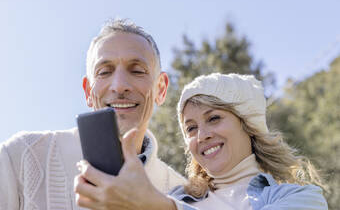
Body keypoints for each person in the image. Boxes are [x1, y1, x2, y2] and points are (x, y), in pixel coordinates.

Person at [0, 19, 186, 210]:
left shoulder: (182, 192)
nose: (119, 86)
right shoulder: (20, 158)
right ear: (88, 92)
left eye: (137, 70)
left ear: (161, 89)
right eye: (104, 72)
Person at [74, 72, 328, 210]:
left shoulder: (301, 198)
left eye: (214, 118)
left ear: (247, 125)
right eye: (191, 127)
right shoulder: (174, 198)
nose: (201, 135)